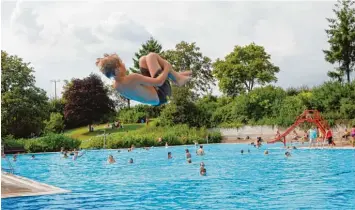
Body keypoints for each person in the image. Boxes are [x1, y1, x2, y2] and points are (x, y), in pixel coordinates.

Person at [96, 52, 192, 106]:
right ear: (117, 70)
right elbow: (159, 82)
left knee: (142, 59)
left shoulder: (116, 85)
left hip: (155, 100)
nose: (124, 64)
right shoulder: (132, 78)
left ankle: (176, 76)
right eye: (122, 63)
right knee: (151, 56)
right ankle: (178, 79)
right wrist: (167, 67)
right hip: (162, 94)